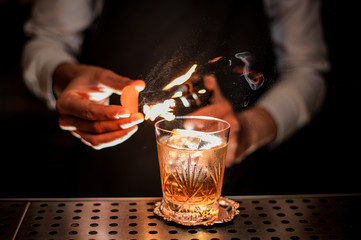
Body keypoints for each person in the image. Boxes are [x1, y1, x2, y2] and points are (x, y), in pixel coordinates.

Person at [21, 0, 329, 196]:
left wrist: (250, 129)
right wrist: (65, 76)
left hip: (240, 187)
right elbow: (48, 40)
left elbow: (307, 69)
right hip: (108, 180)